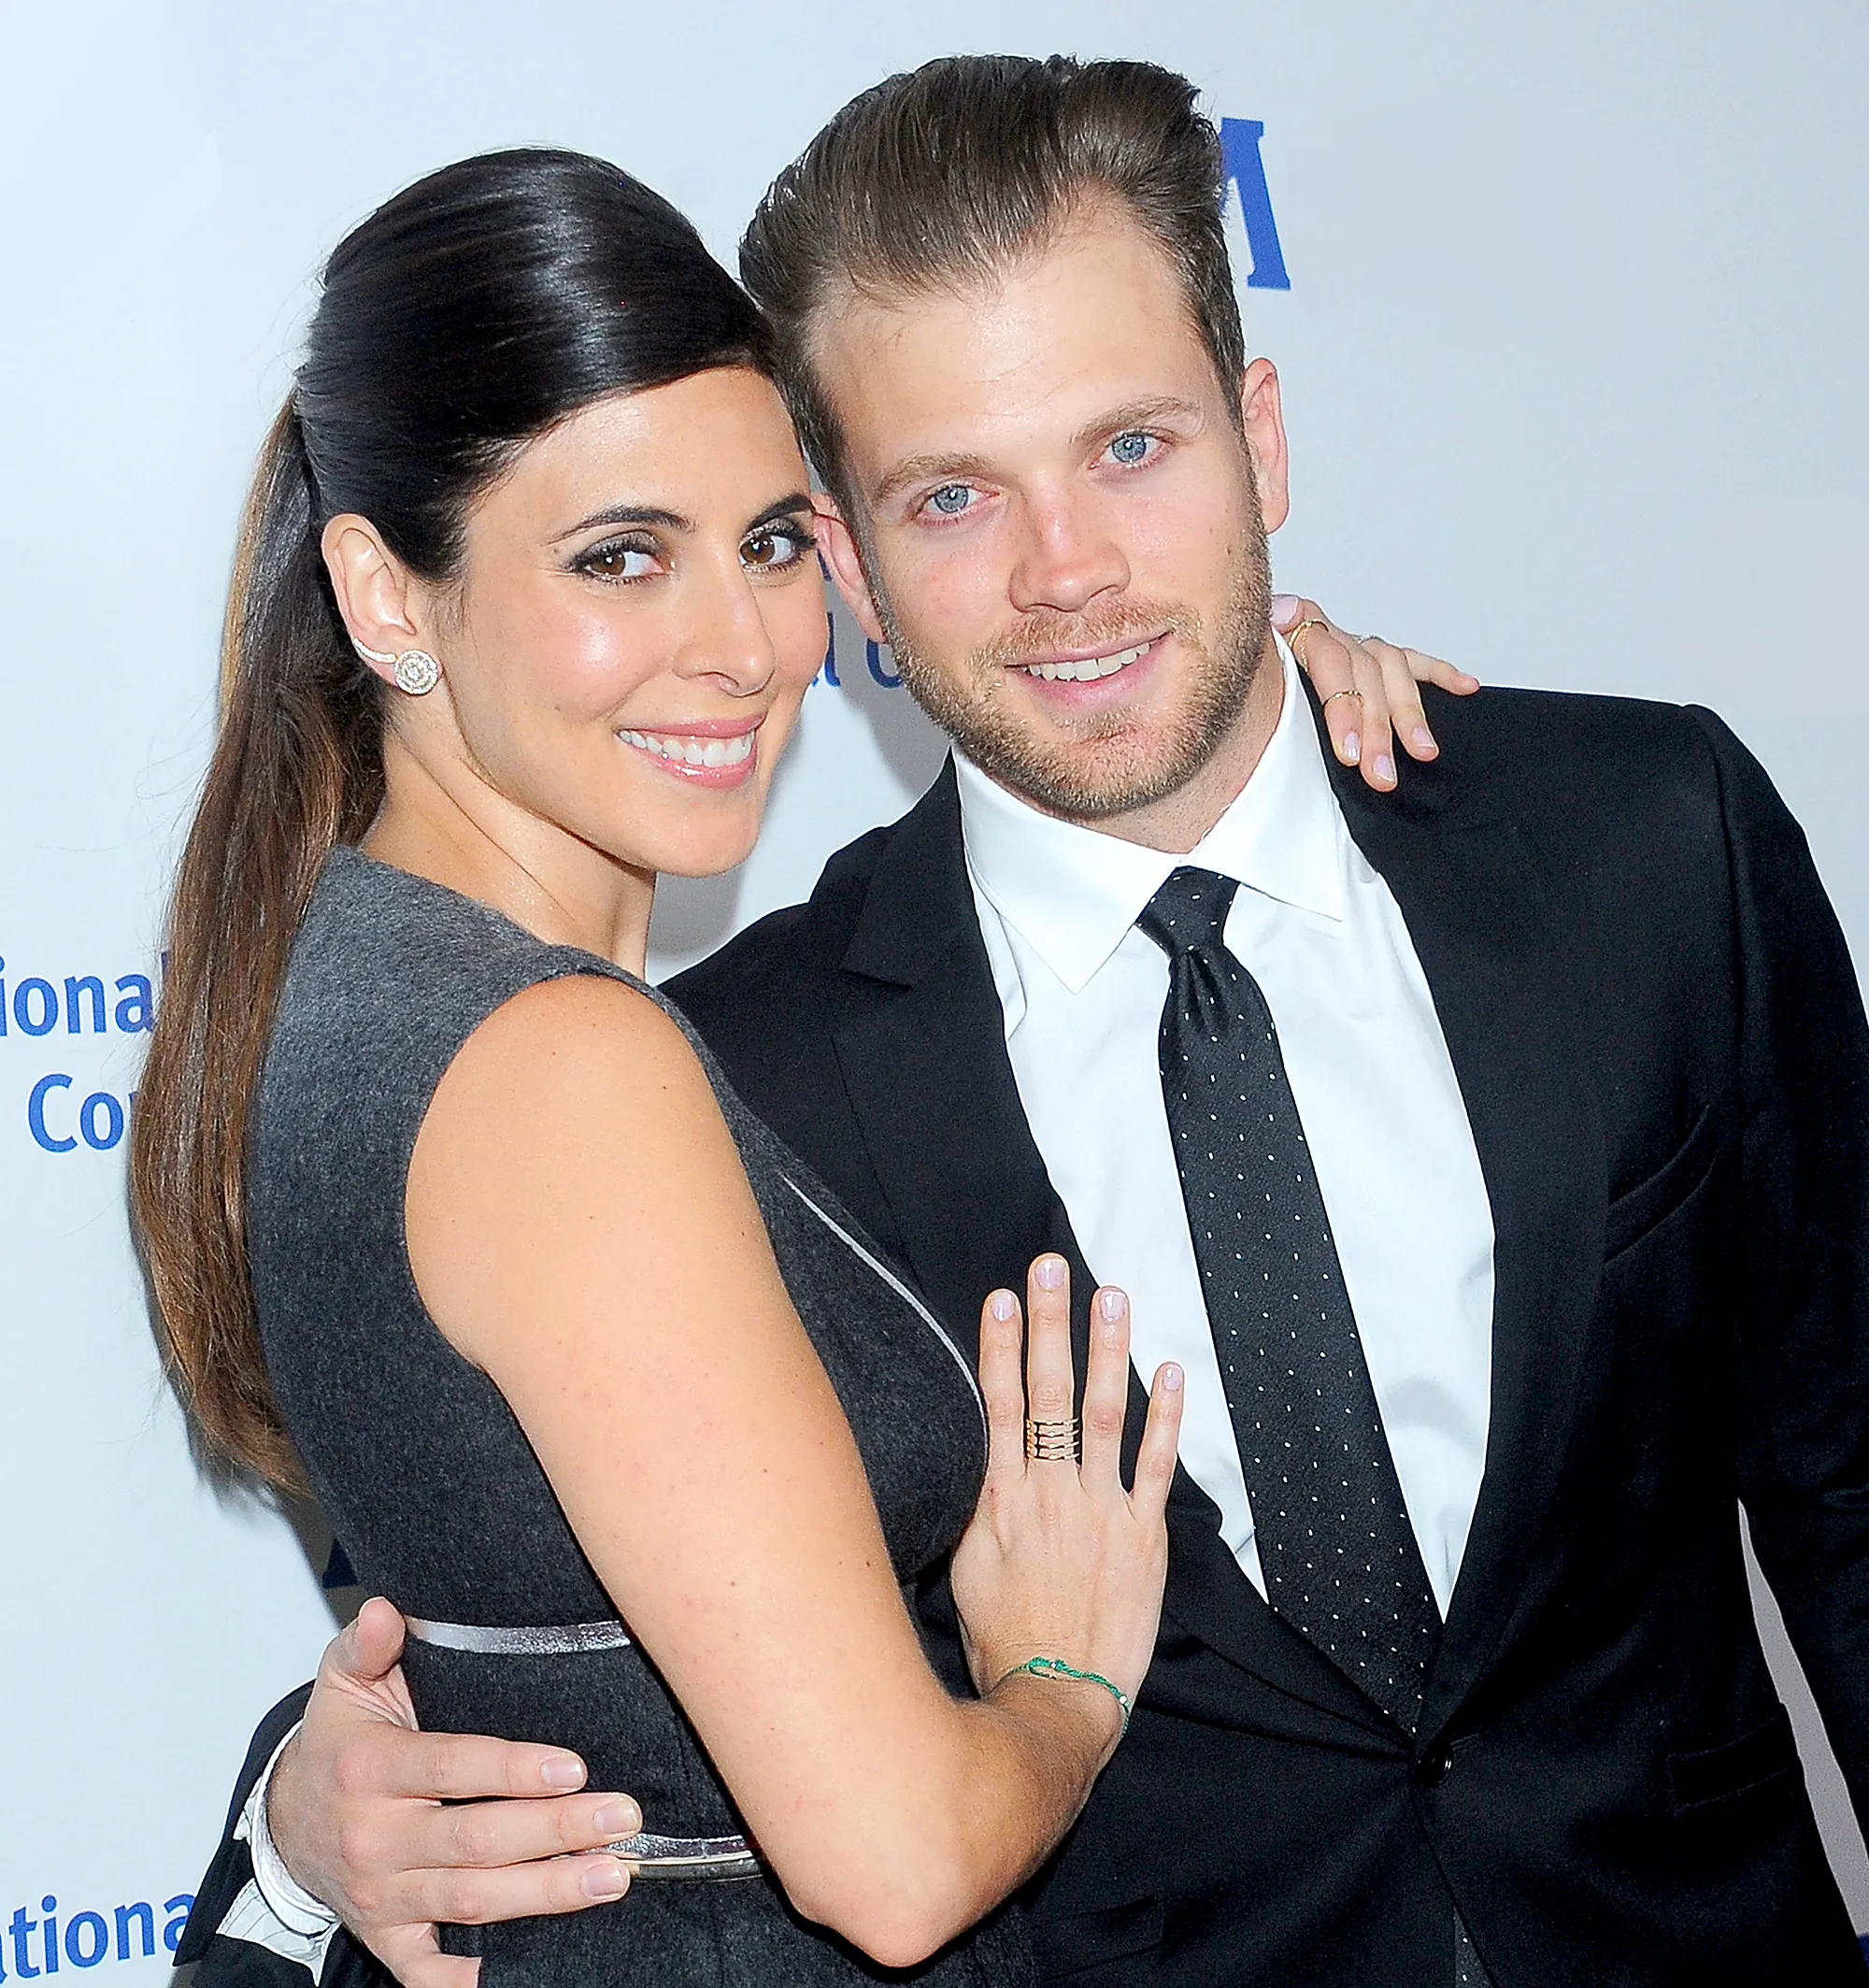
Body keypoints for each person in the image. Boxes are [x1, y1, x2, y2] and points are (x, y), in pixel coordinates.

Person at [181, 50, 1869, 1988]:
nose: (1068, 572)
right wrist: (307, 1803)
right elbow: (552, 1621)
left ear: (1260, 438)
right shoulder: (730, 1072)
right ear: (852, 558)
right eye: (954, 495)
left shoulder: (1644, 843)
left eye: (1131, 448)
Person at [129, 145, 1204, 1988]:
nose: (745, 647)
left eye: (771, 543)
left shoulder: (343, 971)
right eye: (622, 556)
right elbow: (892, 1862)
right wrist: (1061, 1675)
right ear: (386, 598)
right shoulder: (557, 1065)